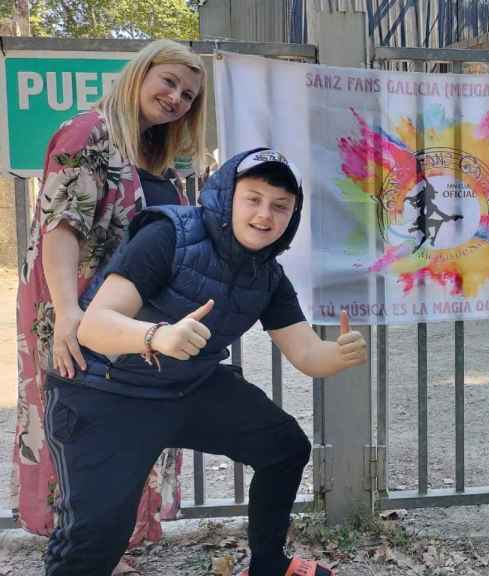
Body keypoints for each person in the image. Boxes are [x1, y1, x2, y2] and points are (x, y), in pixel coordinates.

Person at [42, 147, 366, 576]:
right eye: (253, 199)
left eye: (280, 206)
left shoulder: (267, 274)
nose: (265, 215)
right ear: (227, 195)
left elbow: (305, 353)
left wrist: (336, 355)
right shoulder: (169, 235)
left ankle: (268, 566)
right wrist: (158, 336)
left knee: (284, 448)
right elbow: (94, 326)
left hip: (185, 386)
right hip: (105, 389)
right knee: (98, 534)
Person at [13, 38, 207, 572]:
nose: (176, 98)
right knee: (82, 429)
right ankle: (80, 551)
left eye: (188, 95)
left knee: (122, 426)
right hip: (77, 310)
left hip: (126, 318)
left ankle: (108, 542)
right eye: (168, 82)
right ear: (139, 74)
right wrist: (69, 314)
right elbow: (61, 228)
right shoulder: (88, 132)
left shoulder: (145, 149)